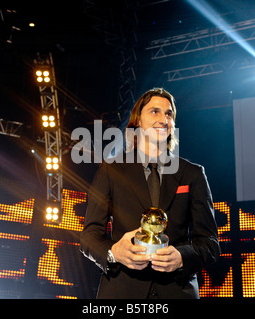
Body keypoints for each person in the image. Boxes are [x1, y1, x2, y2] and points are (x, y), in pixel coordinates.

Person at [80, 88, 220, 299]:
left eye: (169, 113)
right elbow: (89, 236)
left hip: (177, 291)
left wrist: (181, 257)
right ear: (137, 121)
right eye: (155, 111)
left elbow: (210, 243)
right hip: (122, 292)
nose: (163, 119)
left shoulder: (193, 174)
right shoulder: (111, 170)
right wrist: (113, 253)